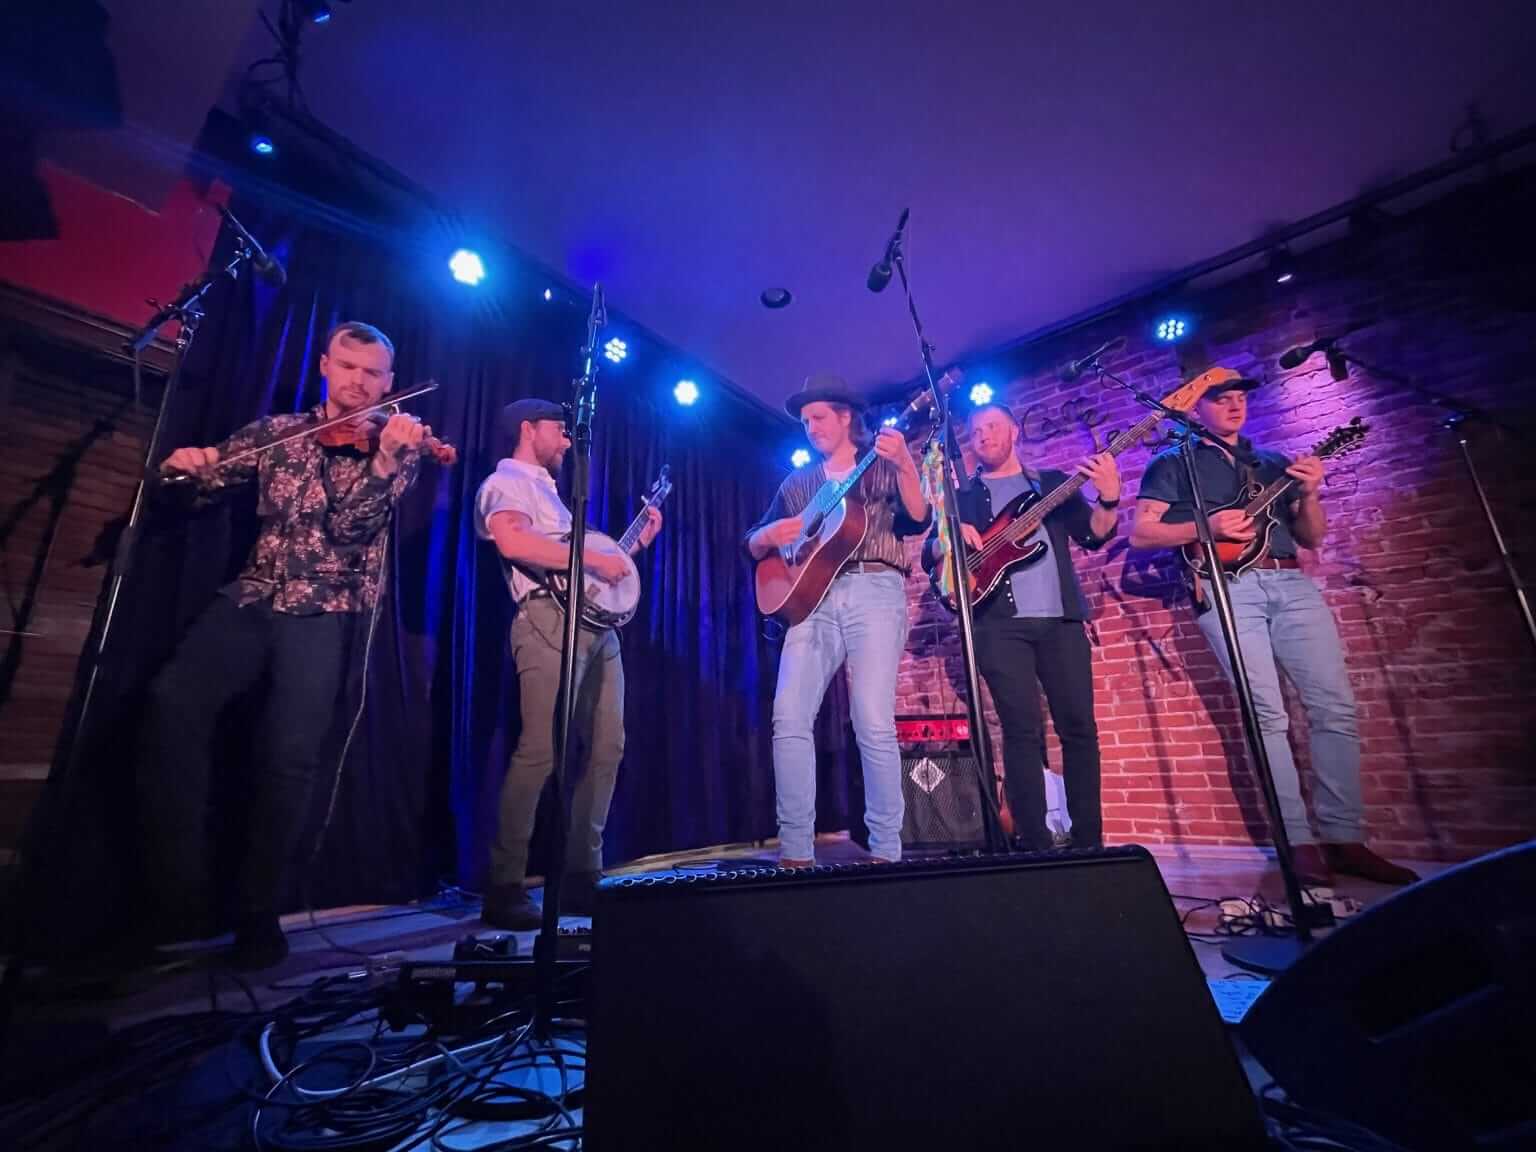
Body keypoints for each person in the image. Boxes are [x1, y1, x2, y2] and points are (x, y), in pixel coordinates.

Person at [139, 321, 428, 969]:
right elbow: (210, 476)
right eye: (348, 367)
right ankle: (175, 888)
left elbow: (351, 530)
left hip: (325, 611)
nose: (359, 382)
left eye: (373, 373)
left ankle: (256, 912)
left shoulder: (398, 447)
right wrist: (187, 467)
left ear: (388, 381)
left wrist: (383, 463)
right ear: (325, 364)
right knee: (171, 703)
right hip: (254, 593)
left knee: (289, 760)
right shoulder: (277, 433)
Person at [1129, 375, 1417, 885]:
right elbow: (1142, 532)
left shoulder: (1273, 463)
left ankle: (1345, 838)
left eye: (1242, 397)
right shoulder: (1173, 464)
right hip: (1226, 588)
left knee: (1334, 707)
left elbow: (1310, 537)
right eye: (1222, 398)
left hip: (1290, 581)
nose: (1235, 405)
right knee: (1267, 715)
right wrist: (1208, 527)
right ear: (1196, 409)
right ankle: (1297, 843)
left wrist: (1309, 493)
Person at [475, 397, 662, 929]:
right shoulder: (506, 481)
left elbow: (585, 571)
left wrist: (630, 548)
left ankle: (583, 874)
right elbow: (513, 541)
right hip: (546, 623)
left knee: (608, 745)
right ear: (528, 429)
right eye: (559, 430)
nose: (566, 441)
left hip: (597, 627)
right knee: (541, 749)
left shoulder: (557, 498)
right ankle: (504, 883)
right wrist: (595, 556)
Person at [746, 376, 930, 866]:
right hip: (809, 599)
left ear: (847, 416)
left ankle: (887, 852)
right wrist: (771, 532)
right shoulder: (797, 483)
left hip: (875, 586)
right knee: (788, 716)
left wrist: (907, 463)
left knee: (872, 720)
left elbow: (919, 516)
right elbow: (754, 543)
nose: (810, 428)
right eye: (805, 422)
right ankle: (795, 851)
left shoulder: (882, 464)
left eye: (819, 418)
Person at [922, 402, 1119, 851]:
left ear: (1014, 431)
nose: (984, 435)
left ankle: (1090, 841)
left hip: (1062, 623)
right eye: (975, 431)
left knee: (1079, 729)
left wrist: (1109, 496)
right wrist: (947, 538)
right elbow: (930, 556)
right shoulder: (961, 496)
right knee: (1021, 730)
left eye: (992, 426)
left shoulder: (1050, 484)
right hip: (998, 626)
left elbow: (1095, 533)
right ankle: (1034, 840)